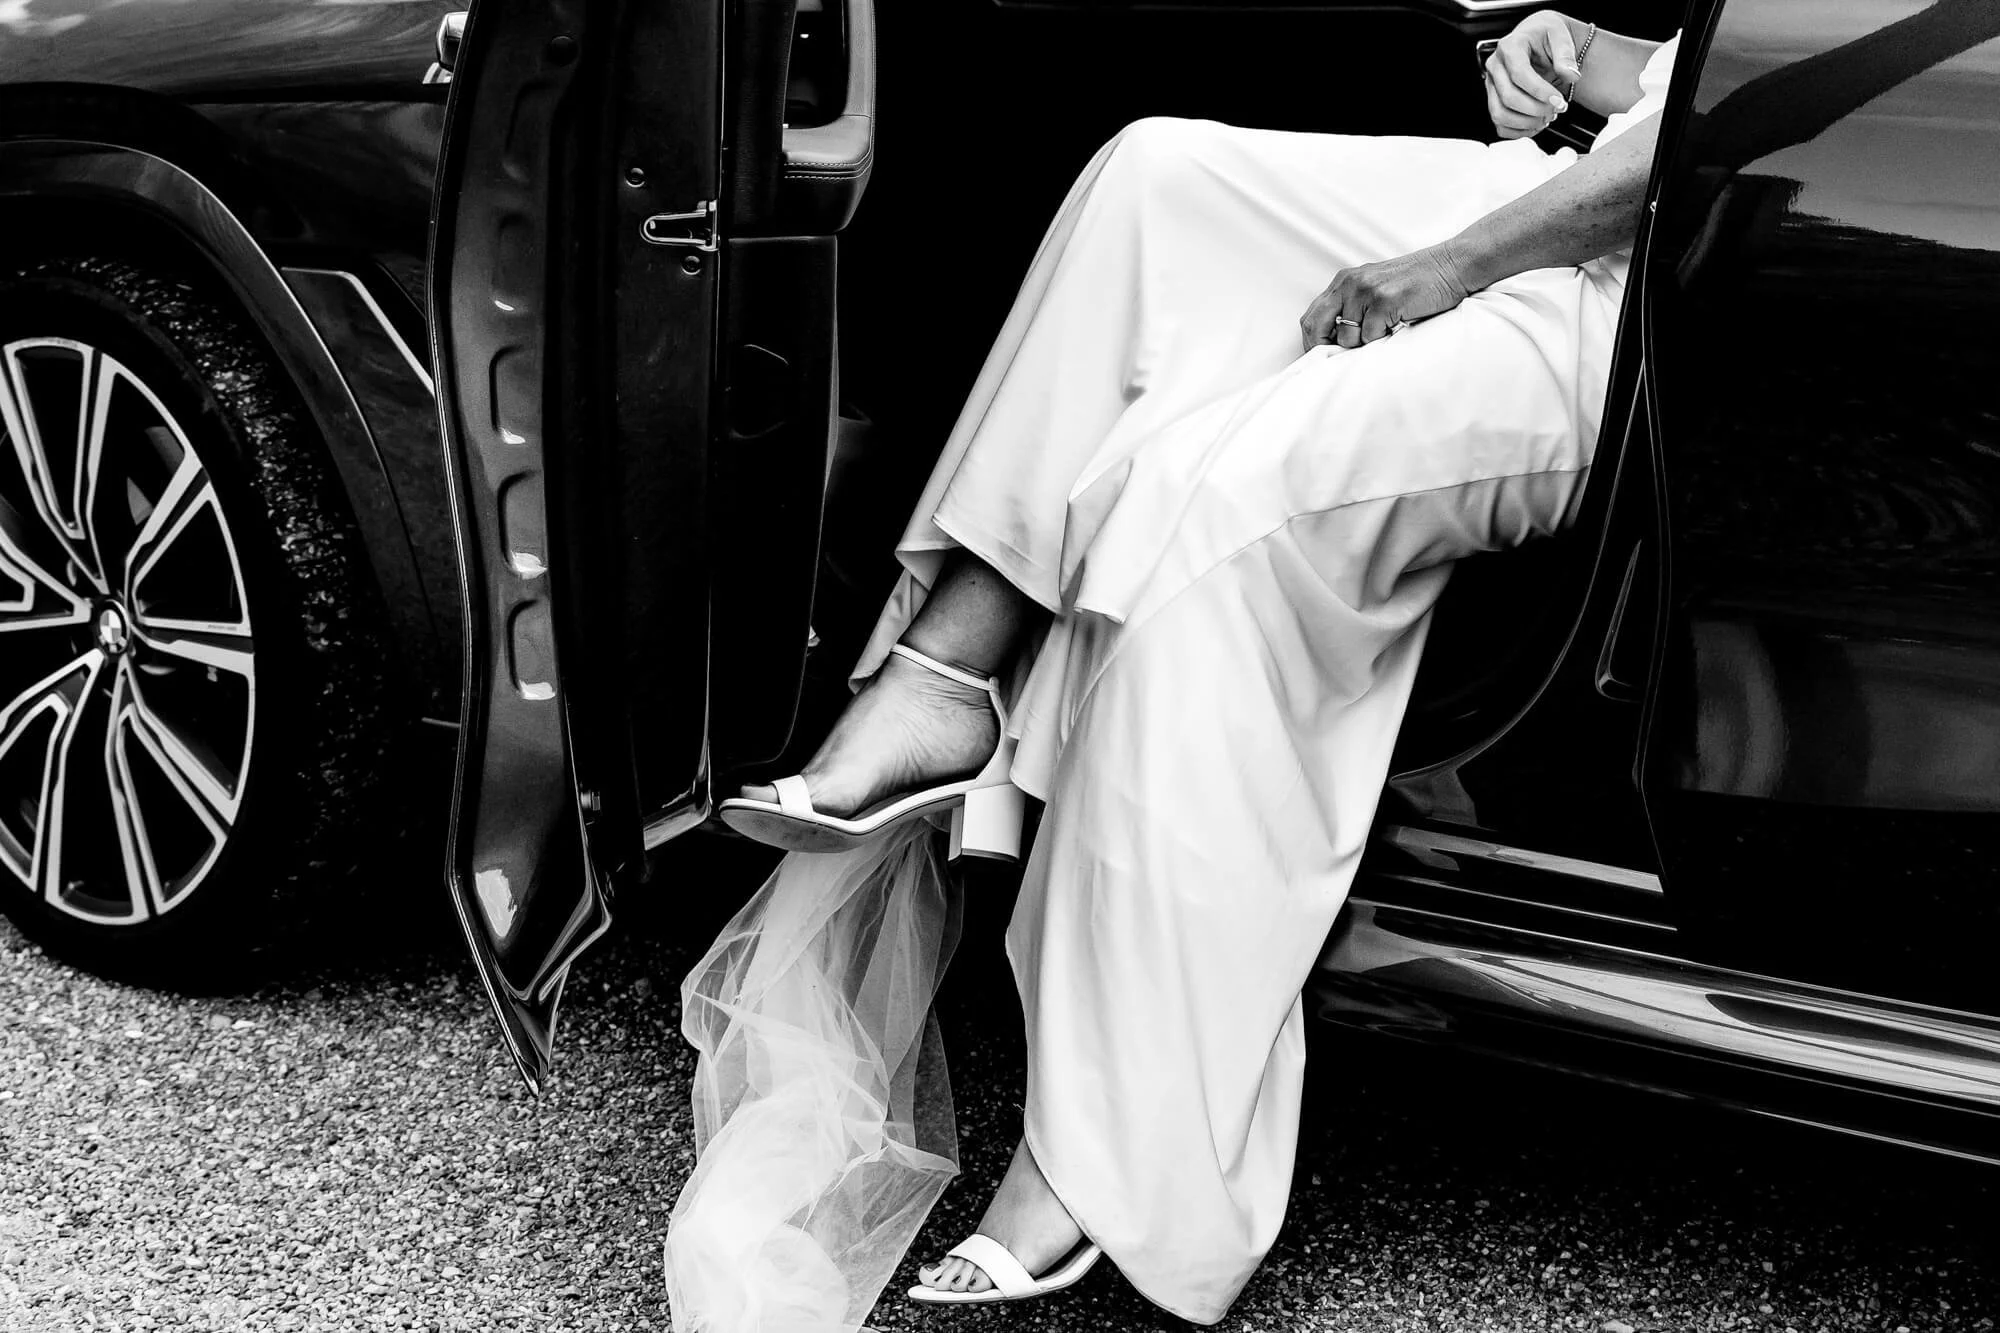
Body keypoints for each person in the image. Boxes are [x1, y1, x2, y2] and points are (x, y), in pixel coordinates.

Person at [666, 12, 1682, 1330]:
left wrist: (1446, 266)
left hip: (1672, 291)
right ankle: (948, 668)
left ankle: (1101, 1154)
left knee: (1199, 508)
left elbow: (1754, 126)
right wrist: (1584, 53)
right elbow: (1709, 73)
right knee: (1154, 177)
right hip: (1576, 191)